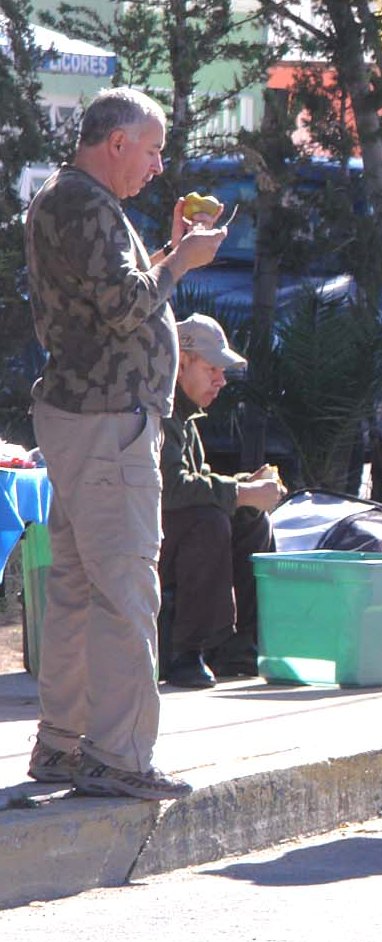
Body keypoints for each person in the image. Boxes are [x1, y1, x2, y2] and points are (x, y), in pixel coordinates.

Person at [22, 88, 226, 798]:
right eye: (152, 147)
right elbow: (124, 306)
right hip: (107, 421)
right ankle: (118, 757)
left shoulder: (75, 199)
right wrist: (182, 263)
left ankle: (64, 745)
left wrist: (168, 250)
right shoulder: (80, 202)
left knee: (81, 587)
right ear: (116, 143)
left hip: (90, 417)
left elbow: (115, 292)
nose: (158, 163)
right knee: (126, 588)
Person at [158, 314, 285, 688]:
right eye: (212, 368)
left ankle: (238, 647)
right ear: (182, 363)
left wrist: (247, 487)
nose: (221, 380)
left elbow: (199, 482)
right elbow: (172, 489)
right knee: (208, 521)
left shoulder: (186, 419)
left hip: (169, 538)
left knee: (251, 519)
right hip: (140, 545)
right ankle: (187, 653)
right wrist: (241, 491)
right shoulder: (160, 414)